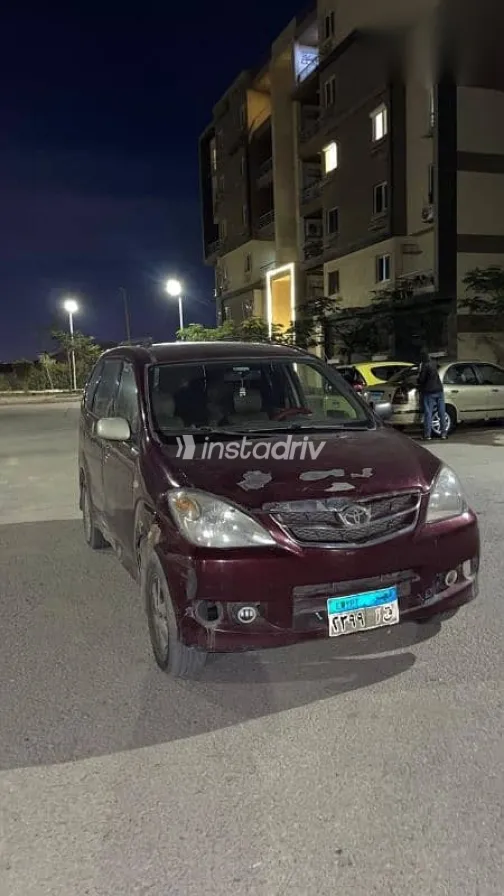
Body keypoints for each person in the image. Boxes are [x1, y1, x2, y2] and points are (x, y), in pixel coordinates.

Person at [417, 351, 447, 440]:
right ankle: (443, 434)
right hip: (439, 390)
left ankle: (427, 435)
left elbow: (421, 379)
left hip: (429, 392)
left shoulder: (425, 366)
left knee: (428, 413)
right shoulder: (434, 364)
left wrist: (418, 379)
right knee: (442, 412)